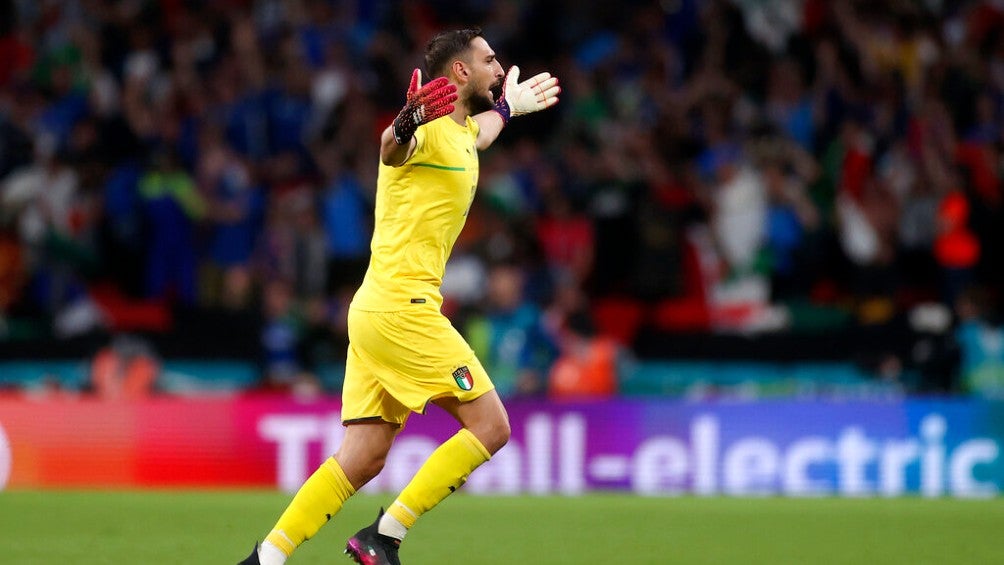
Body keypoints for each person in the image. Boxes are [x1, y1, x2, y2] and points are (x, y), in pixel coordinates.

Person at [239, 28, 559, 565]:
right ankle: (383, 535)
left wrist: (508, 106)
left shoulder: (459, 132)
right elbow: (393, 148)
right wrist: (405, 120)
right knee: (492, 426)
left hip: (374, 309)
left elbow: (479, 134)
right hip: (402, 310)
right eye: (489, 60)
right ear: (459, 72)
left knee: (361, 458)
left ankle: (265, 559)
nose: (499, 66)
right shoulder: (428, 129)